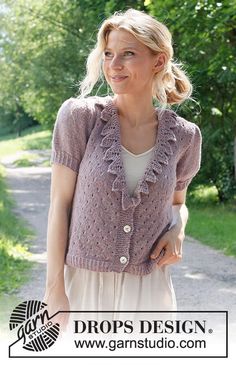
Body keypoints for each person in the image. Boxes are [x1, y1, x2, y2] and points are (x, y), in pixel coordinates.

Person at [44, 8, 202, 329]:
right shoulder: (80, 118)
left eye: (128, 54)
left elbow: (178, 204)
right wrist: (54, 290)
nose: (114, 66)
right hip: (85, 287)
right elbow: (59, 205)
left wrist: (178, 230)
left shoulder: (185, 136)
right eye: (108, 54)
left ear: (158, 61)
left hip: (150, 290)